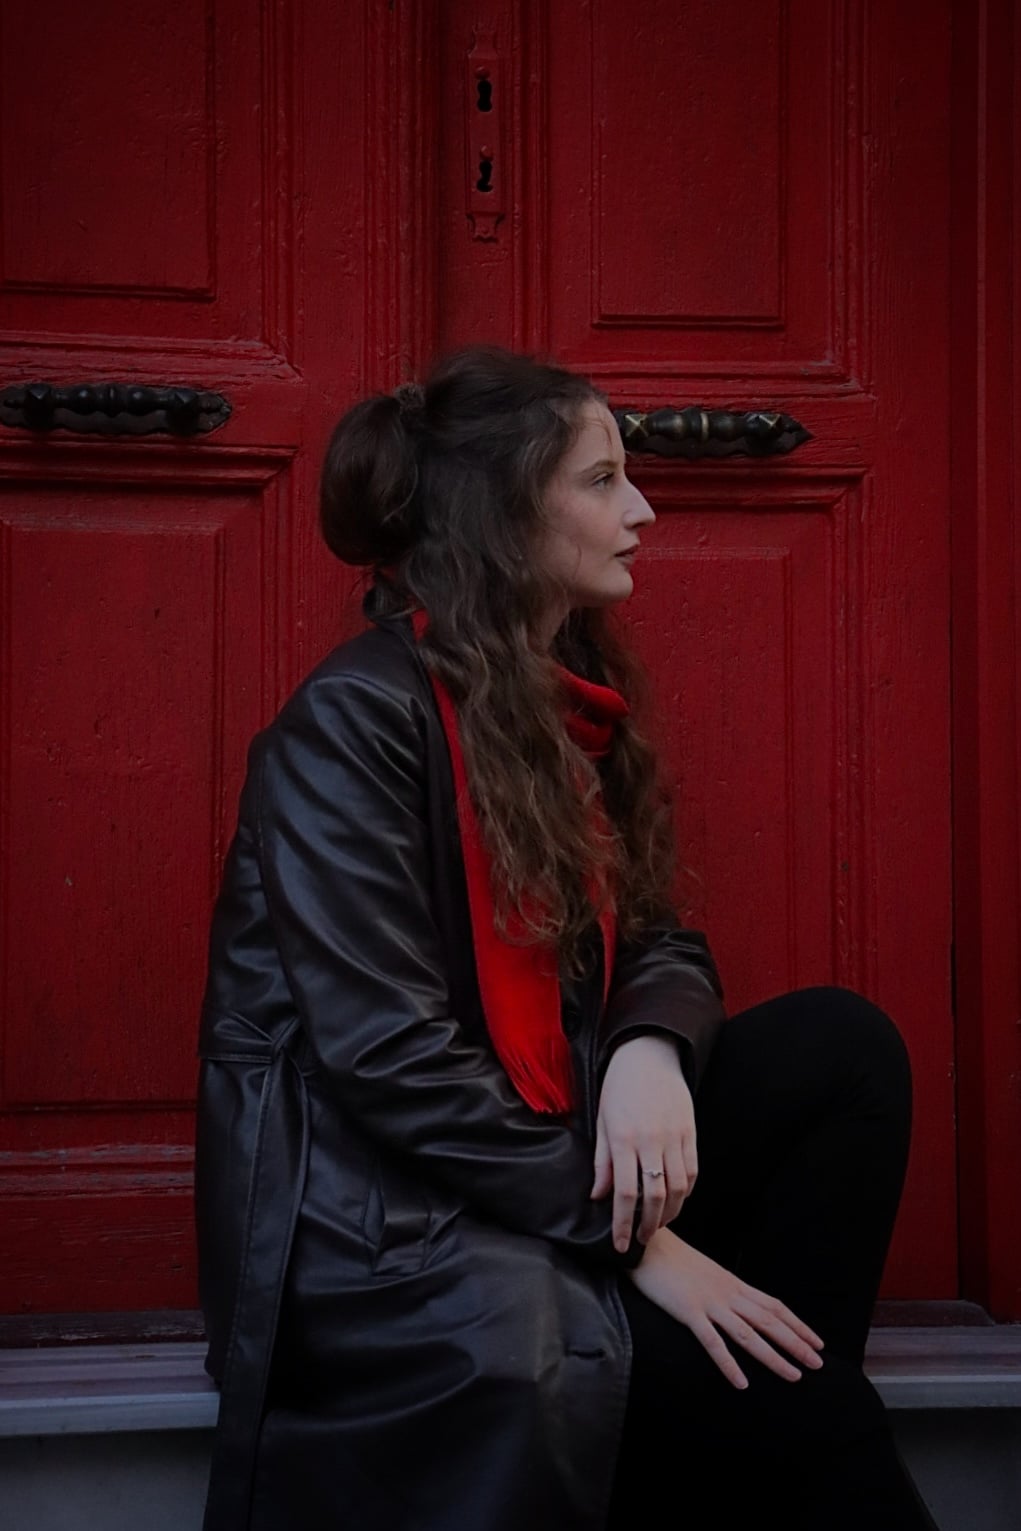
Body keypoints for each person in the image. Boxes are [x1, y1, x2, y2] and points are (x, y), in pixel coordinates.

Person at [195, 346, 937, 1530]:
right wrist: (639, 1241)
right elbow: (388, 1057)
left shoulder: (556, 698)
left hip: (544, 1148)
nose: (642, 510)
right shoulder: (350, 724)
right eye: (600, 481)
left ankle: (732, 1409)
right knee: (809, 1420)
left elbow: (658, 937)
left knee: (841, 1052)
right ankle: (758, 1415)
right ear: (502, 516)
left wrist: (646, 1049)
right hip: (395, 1222)